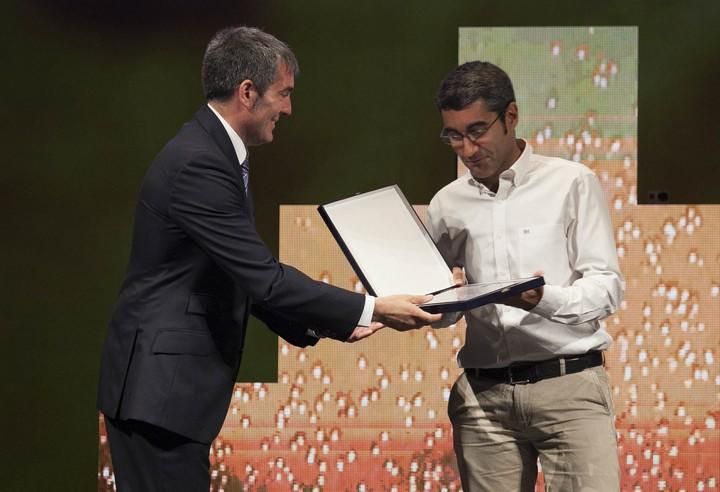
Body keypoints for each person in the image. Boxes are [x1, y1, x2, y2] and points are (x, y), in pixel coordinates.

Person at [97, 26, 440, 491]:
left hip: (165, 395)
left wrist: (336, 322)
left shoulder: (213, 152)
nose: (288, 109)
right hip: (161, 395)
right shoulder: (200, 162)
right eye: (284, 94)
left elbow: (235, 275)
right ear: (247, 92)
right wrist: (371, 306)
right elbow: (264, 278)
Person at [427, 61, 624, 491]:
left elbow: (607, 287)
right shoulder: (446, 203)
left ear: (510, 117)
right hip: (484, 398)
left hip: (569, 387)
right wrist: (433, 302)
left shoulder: (572, 182)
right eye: (454, 135)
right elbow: (443, 313)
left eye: (477, 130)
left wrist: (544, 299)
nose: (467, 148)